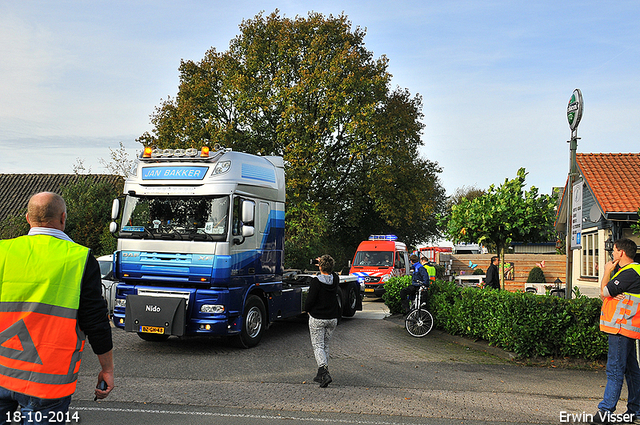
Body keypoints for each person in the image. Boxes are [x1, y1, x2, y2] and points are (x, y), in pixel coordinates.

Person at [0, 192, 114, 423]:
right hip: (45, 384)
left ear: (27, 219)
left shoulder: (4, 251)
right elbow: (96, 321)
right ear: (63, 218)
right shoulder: (79, 259)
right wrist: (107, 369)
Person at [592, 238, 640, 424]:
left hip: (621, 327)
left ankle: (605, 411)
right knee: (631, 370)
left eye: (614, 250)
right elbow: (607, 292)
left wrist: (606, 271)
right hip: (627, 327)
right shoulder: (631, 272)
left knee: (615, 370)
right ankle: (635, 411)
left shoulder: (629, 273)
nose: (612, 253)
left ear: (622, 253)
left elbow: (604, 291)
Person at [305, 254, 341, 388]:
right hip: (332, 318)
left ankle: (324, 373)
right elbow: (333, 273)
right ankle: (321, 374)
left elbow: (310, 300)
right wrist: (324, 263)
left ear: (319, 266)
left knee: (318, 346)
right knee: (325, 345)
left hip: (318, 318)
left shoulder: (316, 282)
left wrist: (307, 310)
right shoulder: (335, 279)